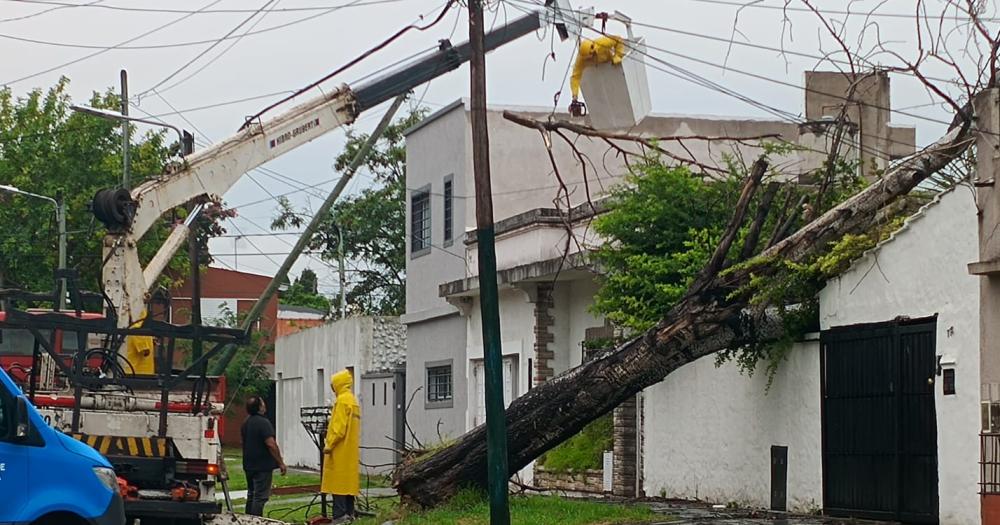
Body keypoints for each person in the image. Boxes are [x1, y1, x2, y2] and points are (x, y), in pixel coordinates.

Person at [321, 369, 361, 522]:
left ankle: (339, 516)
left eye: (333, 385)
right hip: (350, 451)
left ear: (338, 384)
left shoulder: (342, 401)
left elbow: (338, 428)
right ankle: (350, 514)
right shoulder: (353, 401)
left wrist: (329, 444)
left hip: (340, 450)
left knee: (338, 484)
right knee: (348, 484)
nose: (332, 388)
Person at [241, 396, 287, 516]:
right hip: (262, 466)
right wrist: (280, 462)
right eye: (262, 403)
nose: (265, 405)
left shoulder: (246, 422)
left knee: (251, 494)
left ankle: (247, 520)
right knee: (260, 497)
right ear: (260, 407)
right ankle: (256, 521)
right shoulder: (263, 422)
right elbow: (271, 444)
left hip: (249, 465)